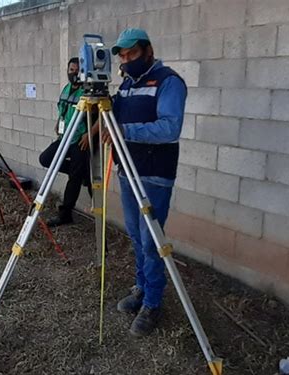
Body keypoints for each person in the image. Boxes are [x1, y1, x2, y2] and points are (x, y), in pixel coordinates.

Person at [105, 28, 187, 337]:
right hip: (128, 170)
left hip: (154, 174)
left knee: (151, 242)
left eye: (132, 54)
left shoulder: (169, 82)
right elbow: (115, 118)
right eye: (122, 57)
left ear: (147, 50)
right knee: (137, 237)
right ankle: (141, 287)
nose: (126, 61)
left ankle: (153, 303)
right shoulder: (127, 84)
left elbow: (170, 128)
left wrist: (124, 131)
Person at [39, 57, 92, 227]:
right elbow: (63, 109)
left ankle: (65, 214)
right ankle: (80, 172)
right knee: (46, 159)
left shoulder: (88, 91)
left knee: (73, 180)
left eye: (77, 71)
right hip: (64, 138)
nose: (74, 73)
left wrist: (89, 135)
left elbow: (99, 116)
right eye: (72, 70)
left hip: (79, 141)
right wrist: (58, 123)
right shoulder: (66, 88)